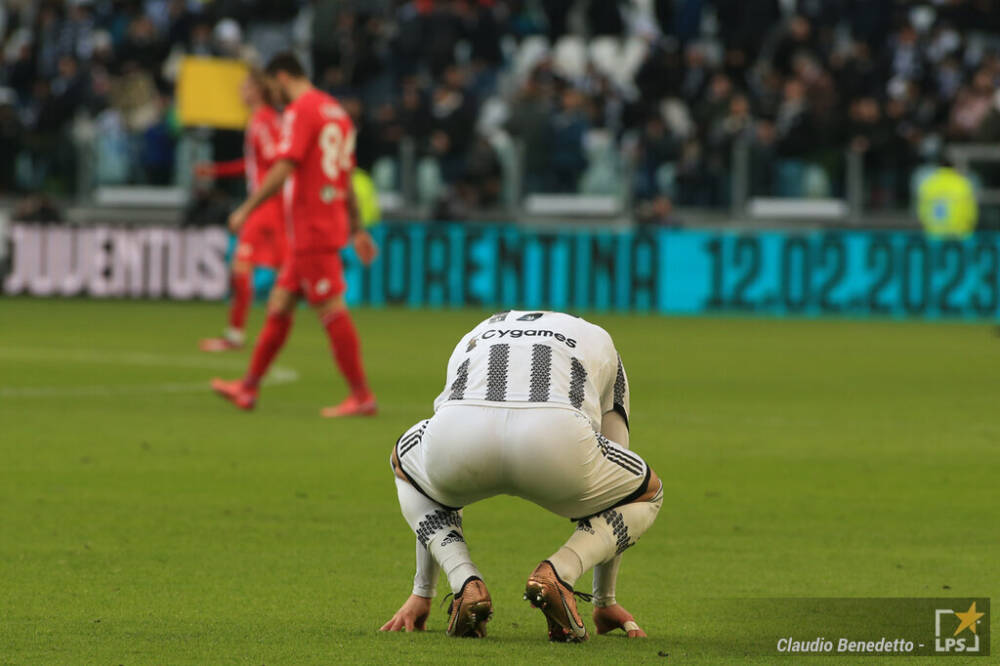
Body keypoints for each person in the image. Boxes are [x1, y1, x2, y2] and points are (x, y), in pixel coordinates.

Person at [380, 311, 662, 640]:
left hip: (460, 437)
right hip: (556, 443)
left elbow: (434, 461)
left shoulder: (479, 330)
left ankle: (464, 581)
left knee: (408, 466)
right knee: (647, 492)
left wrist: (422, 591)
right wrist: (604, 598)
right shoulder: (601, 340)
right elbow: (617, 461)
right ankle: (561, 572)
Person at [211, 52, 378, 417]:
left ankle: (361, 395)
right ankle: (249, 387)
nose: (273, 94)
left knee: (332, 309)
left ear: (282, 77)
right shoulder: (337, 112)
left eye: (272, 86)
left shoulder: (303, 110)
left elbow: (284, 165)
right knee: (279, 305)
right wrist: (358, 229)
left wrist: (246, 208)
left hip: (311, 228)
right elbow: (346, 177)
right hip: (325, 222)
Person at [197, 68, 286, 352]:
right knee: (287, 272)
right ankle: (251, 333)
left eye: (245, 87)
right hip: (271, 203)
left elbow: (275, 163)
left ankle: (235, 336)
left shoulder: (262, 122)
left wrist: (246, 209)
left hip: (265, 204)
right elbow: (253, 165)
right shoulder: (265, 120)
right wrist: (217, 171)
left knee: (242, 267)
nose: (240, 91)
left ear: (257, 91)